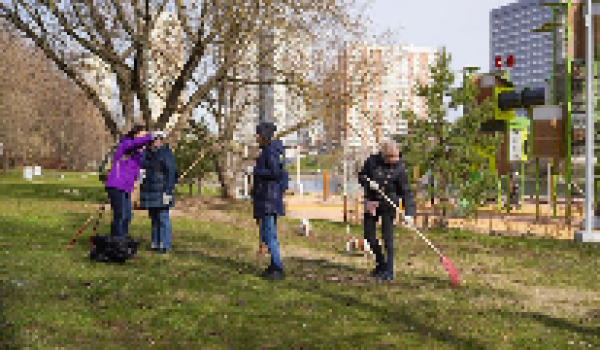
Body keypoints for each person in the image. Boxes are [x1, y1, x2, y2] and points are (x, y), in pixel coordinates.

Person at [358, 141, 416, 281]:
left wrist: (409, 213)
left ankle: (389, 270)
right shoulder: (372, 161)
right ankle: (381, 263)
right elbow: (361, 175)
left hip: (388, 204)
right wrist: (368, 183)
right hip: (371, 202)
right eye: (392, 157)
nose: (395, 160)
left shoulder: (400, 168)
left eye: (397, 156)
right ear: (384, 155)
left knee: (387, 237)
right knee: (369, 235)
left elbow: (406, 192)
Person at [104, 125, 156, 239]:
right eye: (142, 135)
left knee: (127, 215)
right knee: (120, 215)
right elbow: (135, 143)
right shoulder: (125, 144)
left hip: (126, 187)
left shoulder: (139, 153)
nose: (144, 138)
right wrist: (151, 136)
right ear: (135, 135)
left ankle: (121, 239)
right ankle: (116, 240)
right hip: (116, 185)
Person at [251, 121, 287, 280]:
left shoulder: (270, 152)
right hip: (267, 197)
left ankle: (277, 267)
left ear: (264, 136)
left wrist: (257, 171)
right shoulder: (269, 150)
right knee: (265, 234)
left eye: (258, 134)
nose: (256, 137)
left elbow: (275, 172)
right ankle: (273, 265)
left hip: (268, 199)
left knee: (269, 234)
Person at [139, 131, 177, 254]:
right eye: (154, 139)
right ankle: (155, 243)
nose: (156, 141)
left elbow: (171, 173)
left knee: (163, 218)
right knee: (154, 218)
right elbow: (142, 167)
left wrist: (168, 191)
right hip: (149, 189)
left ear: (161, 140)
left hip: (161, 190)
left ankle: (165, 245)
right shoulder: (146, 153)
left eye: (158, 139)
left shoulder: (166, 153)